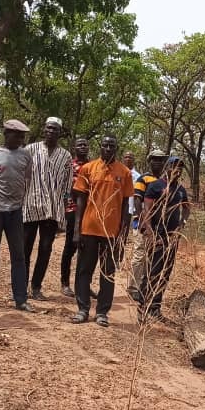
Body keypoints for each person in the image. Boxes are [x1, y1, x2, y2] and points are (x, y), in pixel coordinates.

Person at [70, 135, 132, 327]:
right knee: (83, 271)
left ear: (116, 148)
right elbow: (80, 200)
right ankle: (83, 309)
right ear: (100, 147)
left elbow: (125, 204)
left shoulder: (124, 172)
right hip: (89, 228)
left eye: (111, 145)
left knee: (108, 273)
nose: (107, 148)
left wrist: (123, 234)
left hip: (112, 233)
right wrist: (77, 229)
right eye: (104, 145)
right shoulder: (88, 169)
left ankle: (102, 312)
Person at [0, 119, 35, 313]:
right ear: (6, 134)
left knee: (18, 255)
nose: (20, 139)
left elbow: (25, 180)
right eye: (17, 135)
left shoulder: (26, 156)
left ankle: (20, 299)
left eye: (22, 136)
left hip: (15, 211)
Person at [22, 117, 73, 300]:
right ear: (44, 129)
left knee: (45, 249)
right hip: (31, 206)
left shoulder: (65, 156)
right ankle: (21, 287)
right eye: (49, 128)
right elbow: (23, 177)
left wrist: (66, 212)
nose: (51, 131)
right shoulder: (30, 150)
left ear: (60, 132)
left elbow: (67, 187)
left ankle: (36, 287)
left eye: (55, 129)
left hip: (52, 210)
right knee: (24, 249)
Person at [137, 156, 191, 322]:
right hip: (157, 236)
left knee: (165, 273)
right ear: (167, 167)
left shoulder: (181, 190)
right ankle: (143, 307)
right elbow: (146, 211)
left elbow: (186, 209)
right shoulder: (155, 186)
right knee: (152, 271)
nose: (178, 170)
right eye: (174, 166)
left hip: (172, 238)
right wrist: (151, 234)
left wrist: (181, 224)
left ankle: (155, 308)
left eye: (181, 167)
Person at [126, 149, 169, 302]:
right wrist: (141, 219)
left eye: (160, 160)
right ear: (150, 161)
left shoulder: (166, 181)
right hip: (144, 223)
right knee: (140, 253)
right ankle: (133, 287)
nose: (157, 162)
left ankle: (145, 286)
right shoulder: (143, 179)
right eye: (155, 159)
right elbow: (138, 199)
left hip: (160, 226)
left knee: (152, 256)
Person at [60, 136, 89, 297]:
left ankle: (84, 285)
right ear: (74, 148)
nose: (83, 147)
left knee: (86, 250)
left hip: (89, 212)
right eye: (80, 145)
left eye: (85, 145)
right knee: (70, 247)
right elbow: (64, 187)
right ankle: (65, 283)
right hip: (72, 210)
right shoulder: (69, 166)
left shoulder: (93, 166)